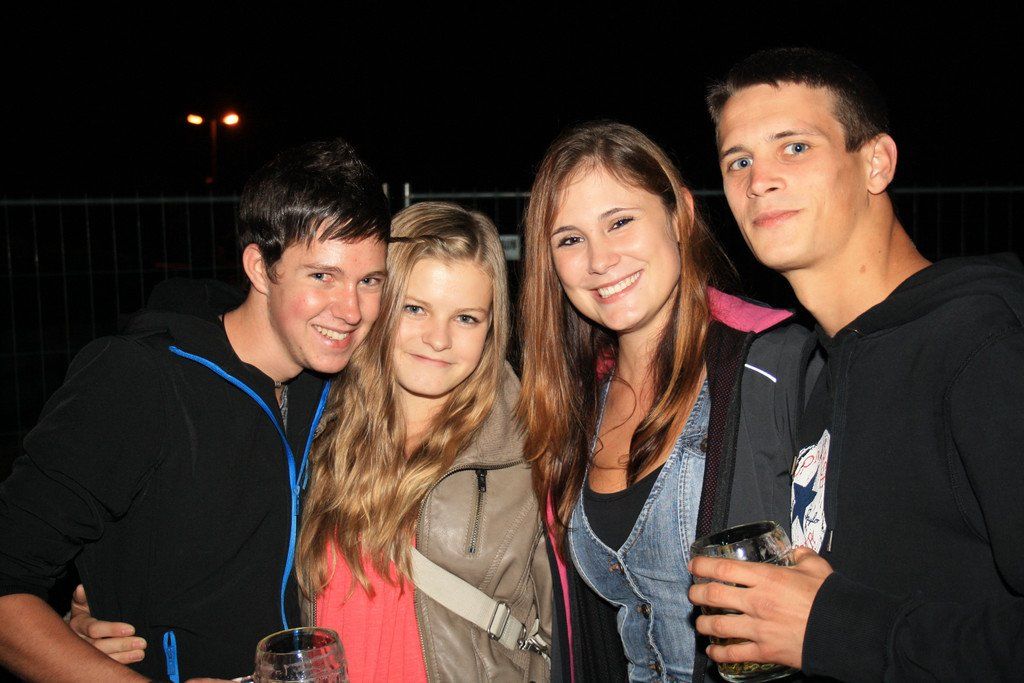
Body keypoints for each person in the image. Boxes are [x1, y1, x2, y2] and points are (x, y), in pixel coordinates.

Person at [689, 47, 1024, 681]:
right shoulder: (829, 368)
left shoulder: (982, 348)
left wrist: (833, 628)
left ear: (876, 163)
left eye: (794, 148)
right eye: (739, 161)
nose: (759, 181)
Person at [0, 138, 390, 681]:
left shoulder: (341, 384)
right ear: (260, 268)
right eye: (322, 276)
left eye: (369, 281)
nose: (351, 310)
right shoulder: (139, 382)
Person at [518, 121, 811, 682]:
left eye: (620, 222)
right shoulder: (575, 405)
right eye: (570, 239)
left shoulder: (776, 368)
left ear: (679, 215)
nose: (599, 260)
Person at [296, 201, 551, 682]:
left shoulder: (532, 450)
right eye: (415, 309)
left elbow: (571, 637)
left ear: (492, 328)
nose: (438, 339)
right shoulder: (319, 427)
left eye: (466, 318)